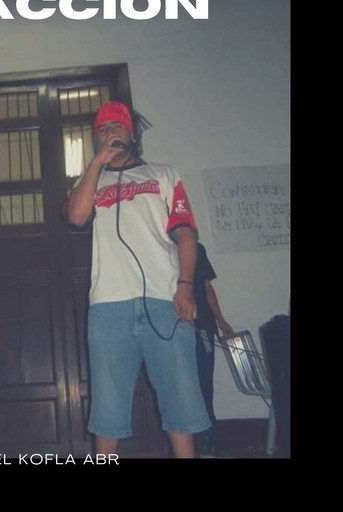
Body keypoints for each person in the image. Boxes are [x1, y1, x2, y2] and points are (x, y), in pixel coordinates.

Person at [65, 101, 211, 458]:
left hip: (165, 300)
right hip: (108, 306)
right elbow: (76, 217)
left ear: (131, 133)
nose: (109, 132)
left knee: (180, 400)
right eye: (102, 129)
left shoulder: (163, 174)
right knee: (108, 405)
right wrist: (96, 164)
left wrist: (186, 287)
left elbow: (187, 233)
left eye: (116, 126)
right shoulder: (89, 181)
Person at [193, 242, 233, 455]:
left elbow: (207, 286)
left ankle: (207, 439)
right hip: (175, 330)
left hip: (203, 327)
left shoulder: (197, 249)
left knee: (205, 383)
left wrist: (220, 319)